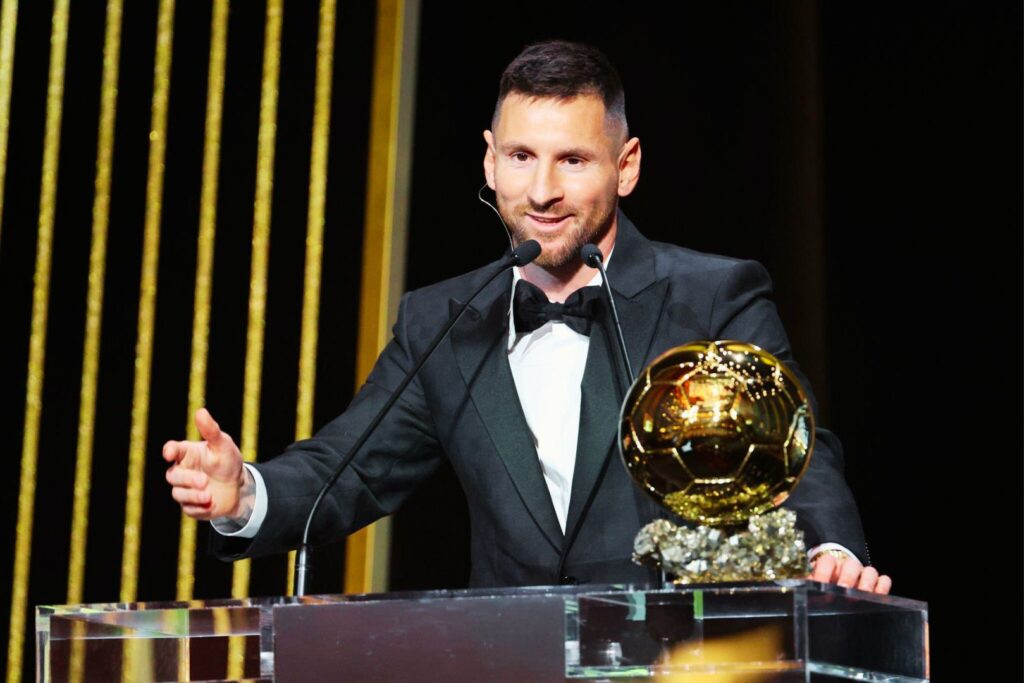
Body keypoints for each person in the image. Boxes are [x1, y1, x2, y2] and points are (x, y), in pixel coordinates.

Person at [163, 41, 891, 594]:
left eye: (573, 160)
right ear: (489, 162)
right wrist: (244, 493)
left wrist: (832, 552)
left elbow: (795, 445)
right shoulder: (441, 321)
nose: (541, 190)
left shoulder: (711, 295)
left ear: (626, 165)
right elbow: (342, 471)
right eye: (521, 156)